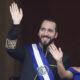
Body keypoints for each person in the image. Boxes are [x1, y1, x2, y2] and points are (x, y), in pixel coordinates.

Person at [5, 2, 70, 80]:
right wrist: (16, 24)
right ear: (38, 32)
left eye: (50, 31)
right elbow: (10, 49)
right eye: (43, 29)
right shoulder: (28, 50)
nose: (45, 33)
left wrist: (59, 62)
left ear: (56, 35)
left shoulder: (63, 58)